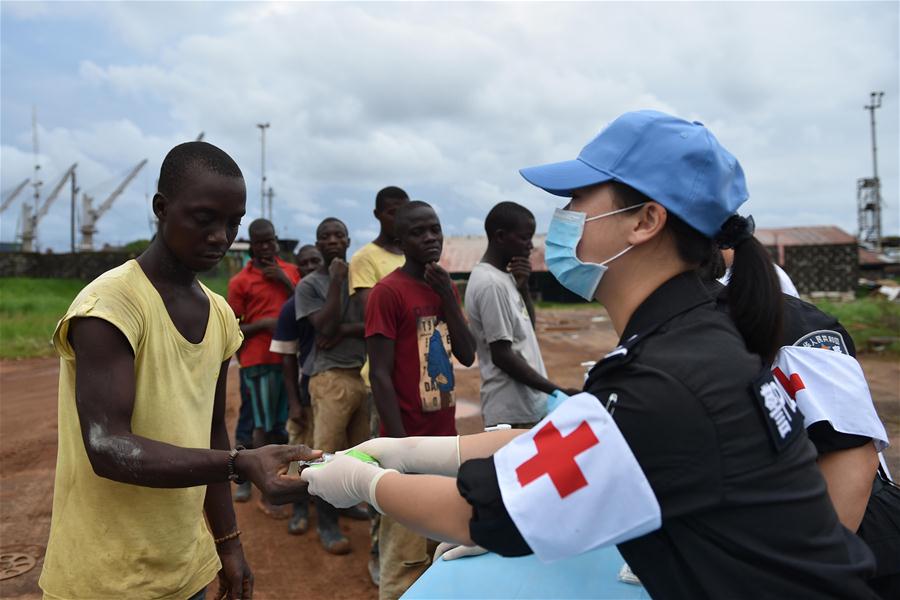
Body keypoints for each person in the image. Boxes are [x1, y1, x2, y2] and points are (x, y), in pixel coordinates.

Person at [301, 111, 878, 599]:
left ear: (646, 221)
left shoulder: (673, 374)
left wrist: (365, 484)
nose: (564, 216)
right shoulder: (691, 337)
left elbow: (480, 513)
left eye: (579, 197)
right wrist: (404, 449)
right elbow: (580, 436)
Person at [39, 141, 318, 600]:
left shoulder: (222, 316)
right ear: (161, 208)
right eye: (204, 219)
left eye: (233, 223)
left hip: (187, 569)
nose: (220, 236)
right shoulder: (111, 305)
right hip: (104, 579)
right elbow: (108, 447)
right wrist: (239, 464)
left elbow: (210, 431)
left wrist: (228, 544)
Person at [704, 250, 898, 598]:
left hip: (853, 536)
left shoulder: (768, 306)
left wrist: (805, 578)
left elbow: (848, 454)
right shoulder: (672, 321)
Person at [364, 200, 476, 599]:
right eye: (418, 232)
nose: (430, 238)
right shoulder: (387, 293)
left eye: (435, 229)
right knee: (404, 558)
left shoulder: (443, 286)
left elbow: (466, 354)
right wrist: (399, 450)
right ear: (399, 239)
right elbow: (379, 373)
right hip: (407, 442)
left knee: (442, 548)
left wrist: (447, 296)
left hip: (445, 443)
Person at [466, 201, 578, 429]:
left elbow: (528, 333)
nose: (530, 246)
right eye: (525, 238)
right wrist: (557, 391)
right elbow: (502, 355)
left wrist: (523, 288)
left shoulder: (505, 278)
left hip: (525, 407)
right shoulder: (490, 284)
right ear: (500, 236)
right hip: (511, 414)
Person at [348, 185, 410, 585]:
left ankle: (413, 549)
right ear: (377, 214)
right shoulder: (366, 259)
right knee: (382, 469)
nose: (398, 217)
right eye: (391, 211)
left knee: (421, 473)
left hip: (420, 386)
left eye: (403, 209)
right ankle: (377, 550)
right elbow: (368, 313)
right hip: (382, 382)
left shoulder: (415, 256)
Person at [295, 217, 369, 555]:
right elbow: (324, 327)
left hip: (362, 374)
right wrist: (337, 281)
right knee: (325, 455)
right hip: (328, 378)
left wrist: (347, 330)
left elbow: (371, 323)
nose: (333, 240)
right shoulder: (310, 284)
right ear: (318, 242)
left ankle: (346, 505)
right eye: (325, 236)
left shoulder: (363, 276)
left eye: (339, 234)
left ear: (349, 239)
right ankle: (326, 523)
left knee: (358, 453)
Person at [227, 218, 301, 514]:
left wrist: (285, 283)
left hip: (289, 360)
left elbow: (305, 308)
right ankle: (257, 483)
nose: (266, 247)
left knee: (283, 424)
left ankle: (280, 482)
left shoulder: (292, 273)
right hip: (258, 361)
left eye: (270, 241)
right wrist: (263, 325)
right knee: (258, 424)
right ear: (252, 244)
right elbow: (232, 326)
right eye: (260, 242)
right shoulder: (240, 281)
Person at [269, 244, 324, 534]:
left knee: (330, 448)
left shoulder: (335, 299)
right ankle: (300, 509)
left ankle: (339, 504)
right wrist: (293, 401)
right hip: (304, 391)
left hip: (329, 393)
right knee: (300, 453)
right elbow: (287, 358)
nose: (312, 266)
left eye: (317, 260)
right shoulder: (291, 308)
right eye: (305, 263)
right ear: (298, 269)